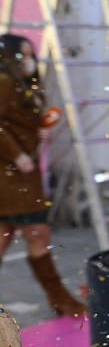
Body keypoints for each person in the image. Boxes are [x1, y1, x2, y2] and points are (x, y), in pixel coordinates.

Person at [0, 34, 86, 316]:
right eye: (23, 56)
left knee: (19, 234)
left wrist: (40, 130)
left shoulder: (24, 85)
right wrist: (18, 153)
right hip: (10, 175)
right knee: (36, 232)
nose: (29, 61)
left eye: (31, 55)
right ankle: (60, 299)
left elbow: (18, 122)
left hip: (22, 175)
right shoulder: (3, 82)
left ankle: (60, 299)